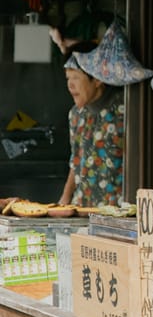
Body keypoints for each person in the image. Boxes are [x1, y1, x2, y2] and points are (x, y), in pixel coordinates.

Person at [59, 41, 126, 207]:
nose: (70, 85)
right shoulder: (75, 114)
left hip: (116, 211)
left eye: (76, 77)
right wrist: (64, 200)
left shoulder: (125, 111)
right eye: (68, 78)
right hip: (81, 208)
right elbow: (75, 162)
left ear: (97, 79)